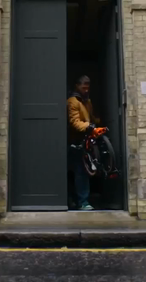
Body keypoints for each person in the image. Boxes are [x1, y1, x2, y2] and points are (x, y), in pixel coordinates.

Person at [67, 75, 101, 211]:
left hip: (85, 140)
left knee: (79, 171)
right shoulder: (73, 102)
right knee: (80, 171)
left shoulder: (87, 101)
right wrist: (88, 126)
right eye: (83, 88)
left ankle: (76, 200)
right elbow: (74, 121)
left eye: (88, 88)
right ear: (77, 86)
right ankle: (82, 202)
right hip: (75, 141)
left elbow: (90, 118)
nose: (86, 90)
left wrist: (98, 123)